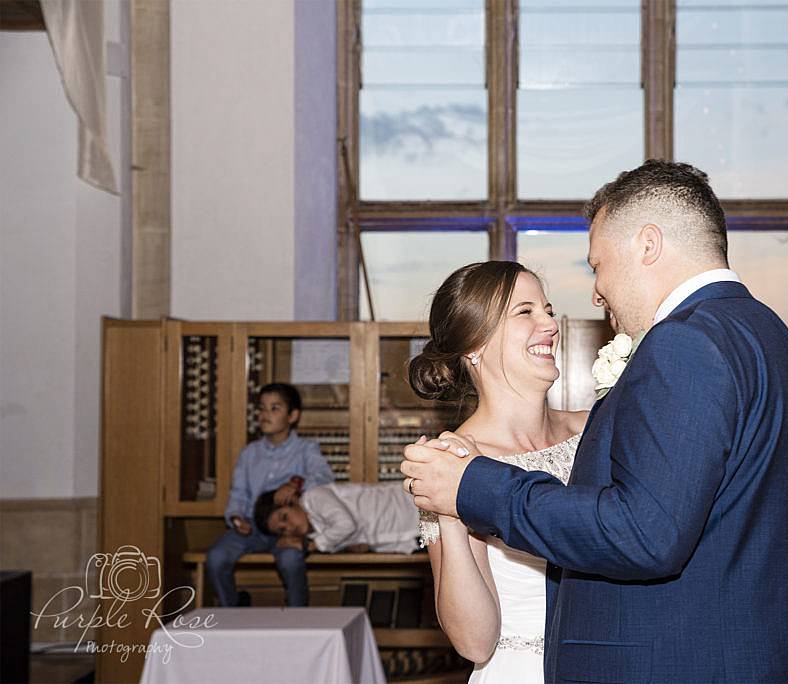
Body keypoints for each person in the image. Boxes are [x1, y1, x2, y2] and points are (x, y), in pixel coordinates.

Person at [402, 159, 788, 682]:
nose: (594, 292)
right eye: (526, 311)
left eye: (597, 264)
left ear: (648, 245)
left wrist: (475, 486)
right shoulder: (775, 340)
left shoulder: (685, 344)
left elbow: (646, 532)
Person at [404, 260, 587, 682]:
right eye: (525, 312)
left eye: (547, 308)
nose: (550, 323)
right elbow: (475, 643)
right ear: (475, 344)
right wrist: (450, 512)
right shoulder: (451, 463)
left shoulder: (592, 428)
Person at [205, 382, 335, 607]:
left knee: (291, 559)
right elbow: (239, 493)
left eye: (275, 408)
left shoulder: (306, 449)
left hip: (287, 528)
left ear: (293, 415)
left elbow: (324, 478)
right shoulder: (250, 453)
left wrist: (296, 484)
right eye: (262, 408)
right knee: (216, 559)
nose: (265, 415)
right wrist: (237, 518)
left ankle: (298, 619)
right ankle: (232, 611)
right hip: (252, 528)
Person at [251, 480, 422, 554]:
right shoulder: (316, 534)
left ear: (293, 501)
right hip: (407, 538)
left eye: (285, 517)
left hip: (413, 507)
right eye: (282, 530)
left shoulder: (313, 497)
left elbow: (346, 525)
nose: (289, 527)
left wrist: (313, 546)